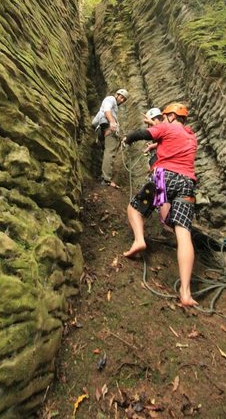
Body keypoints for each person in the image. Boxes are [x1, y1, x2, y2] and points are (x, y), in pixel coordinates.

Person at [122, 102, 198, 307]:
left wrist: (127, 139)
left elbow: (142, 133)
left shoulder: (167, 126)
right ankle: (186, 292)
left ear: (172, 116)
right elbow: (174, 146)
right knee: (184, 234)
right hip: (187, 184)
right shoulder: (191, 136)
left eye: (165, 116)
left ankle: (139, 240)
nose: (164, 119)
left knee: (135, 208)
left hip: (164, 177)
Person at [92, 88, 129, 188]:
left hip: (102, 128)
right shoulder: (110, 99)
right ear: (116, 95)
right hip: (108, 127)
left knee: (105, 151)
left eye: (124, 100)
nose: (121, 100)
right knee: (110, 152)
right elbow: (106, 110)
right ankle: (106, 179)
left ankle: (102, 175)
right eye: (121, 97)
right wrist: (112, 122)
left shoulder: (114, 106)